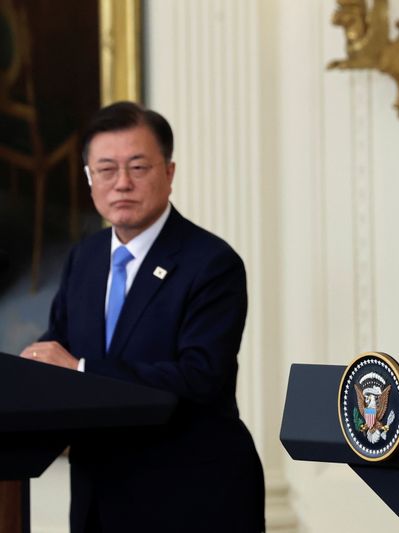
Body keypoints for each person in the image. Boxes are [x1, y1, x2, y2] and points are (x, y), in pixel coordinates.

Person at [20, 102, 265, 533]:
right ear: (89, 179)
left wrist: (80, 370)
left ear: (169, 173)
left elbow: (200, 377)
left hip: (190, 494)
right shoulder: (85, 258)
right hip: (99, 495)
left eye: (138, 167)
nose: (122, 184)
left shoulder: (211, 263)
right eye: (107, 170)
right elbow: (55, 347)